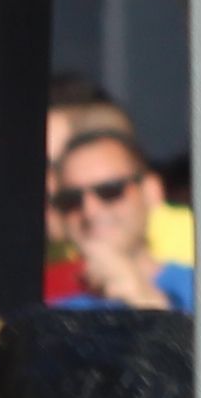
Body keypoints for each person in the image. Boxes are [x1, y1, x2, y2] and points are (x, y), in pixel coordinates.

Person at [48, 125, 192, 310]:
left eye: (110, 190)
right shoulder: (49, 301)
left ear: (151, 191)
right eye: (71, 199)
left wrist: (141, 298)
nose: (90, 211)